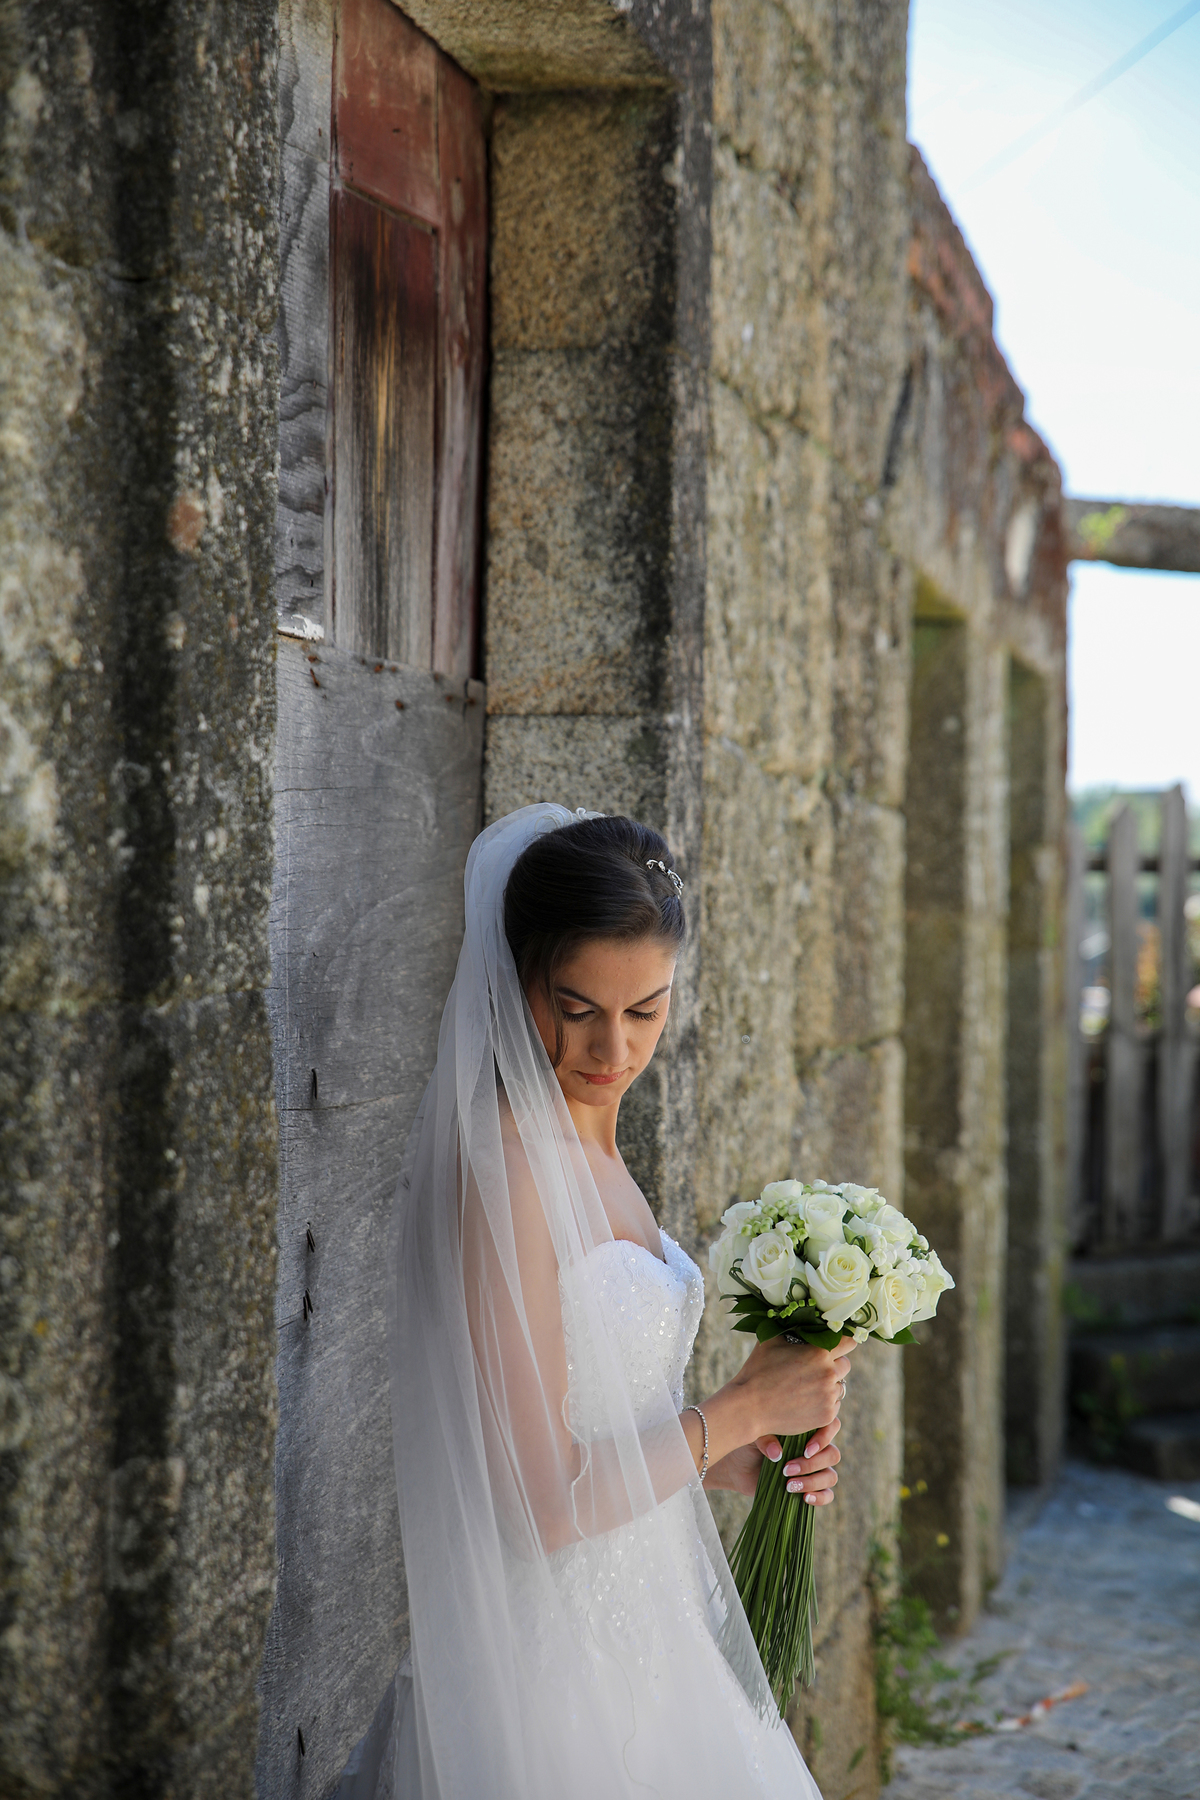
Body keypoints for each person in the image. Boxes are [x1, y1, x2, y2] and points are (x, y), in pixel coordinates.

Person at [351, 804, 854, 1798]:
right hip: (551, 1677)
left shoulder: (595, 1148)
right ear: (515, 980)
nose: (612, 1049)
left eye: (645, 1012)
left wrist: (735, 1458)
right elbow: (540, 1508)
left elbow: (600, 1420)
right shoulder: (507, 1174)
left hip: (656, 1635)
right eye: (576, 1008)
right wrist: (737, 1408)